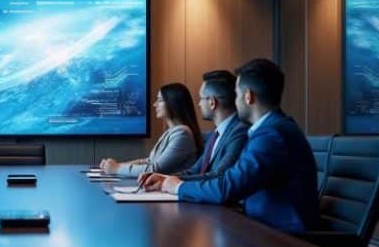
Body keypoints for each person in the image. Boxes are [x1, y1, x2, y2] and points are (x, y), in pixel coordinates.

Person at [142, 58, 319, 232]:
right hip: (263, 229)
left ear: (248, 97)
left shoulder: (270, 135)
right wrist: (167, 181)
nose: (234, 101)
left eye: (237, 95)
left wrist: (177, 186)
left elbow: (227, 187)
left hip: (284, 240)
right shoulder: (271, 129)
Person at [139, 70, 248, 183]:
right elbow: (194, 170)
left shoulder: (238, 132)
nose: (199, 104)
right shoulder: (216, 134)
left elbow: (218, 177)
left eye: (201, 98)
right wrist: (164, 178)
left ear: (212, 102)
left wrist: (170, 183)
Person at [100, 82, 203, 177]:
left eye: (160, 100)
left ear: (173, 103)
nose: (155, 104)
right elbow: (149, 161)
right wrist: (115, 166)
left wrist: (117, 169)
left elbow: (155, 169)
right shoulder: (172, 132)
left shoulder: (182, 133)